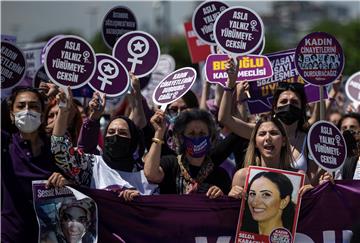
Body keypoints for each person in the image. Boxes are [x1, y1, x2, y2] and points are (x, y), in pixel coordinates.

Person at [218, 58, 323, 185]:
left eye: (294, 102)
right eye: (283, 102)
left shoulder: (308, 139)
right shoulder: (260, 131)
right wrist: (230, 85)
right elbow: (224, 119)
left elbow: (310, 183)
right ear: (275, 106)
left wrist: (323, 177)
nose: (289, 105)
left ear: (302, 108)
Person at [51, 87, 156, 199]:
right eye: (111, 132)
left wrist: (140, 201)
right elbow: (60, 151)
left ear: (133, 141)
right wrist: (63, 110)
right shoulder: (91, 165)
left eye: (123, 133)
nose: (116, 136)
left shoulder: (145, 174)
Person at [1, 86, 65, 242]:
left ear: (42, 116)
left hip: (48, 236)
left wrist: (65, 182)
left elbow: (79, 182)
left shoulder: (55, 149)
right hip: (10, 236)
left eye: (34, 106)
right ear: (11, 115)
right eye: (21, 106)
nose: (27, 110)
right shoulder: (5, 146)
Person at [144, 109, 231, 197]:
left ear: (210, 137)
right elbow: (151, 175)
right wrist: (159, 132)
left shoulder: (220, 175)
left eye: (202, 133)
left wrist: (220, 195)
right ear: (182, 138)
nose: (197, 138)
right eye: (191, 133)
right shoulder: (171, 163)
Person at [240, 171, 295, 236]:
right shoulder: (243, 233)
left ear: (284, 202)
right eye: (252, 194)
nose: (255, 202)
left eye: (266, 194)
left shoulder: (296, 237)